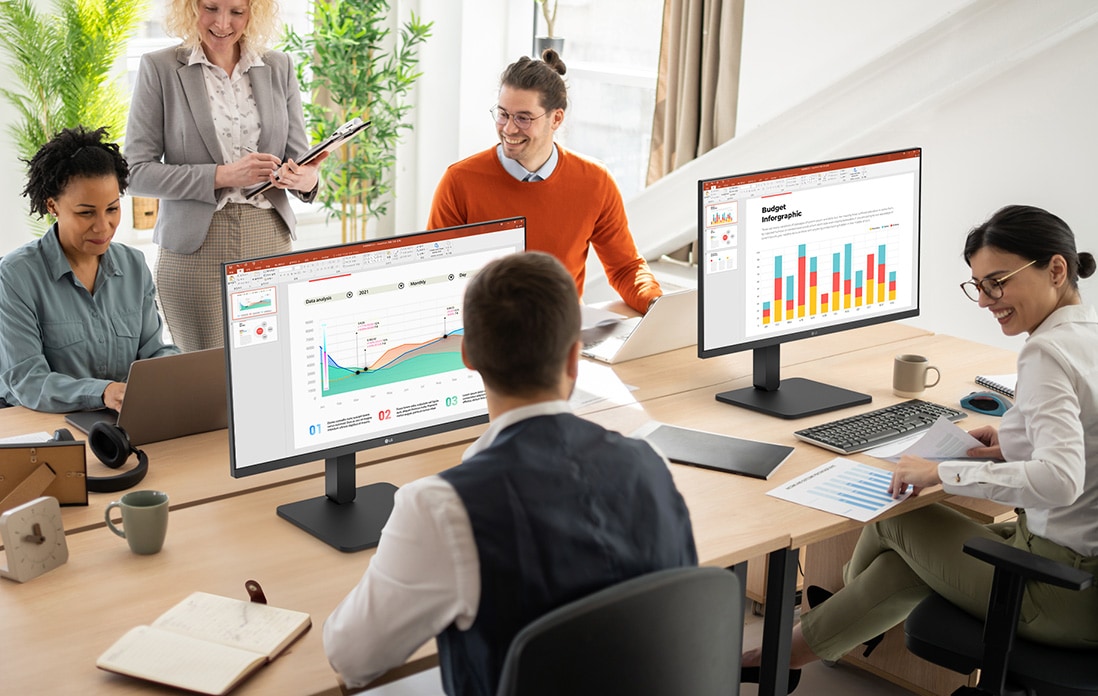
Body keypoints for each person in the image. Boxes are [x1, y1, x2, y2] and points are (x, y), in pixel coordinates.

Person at [740, 205, 1098, 688]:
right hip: (1077, 571)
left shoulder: (1046, 352)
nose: (985, 300)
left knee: (899, 519)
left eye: (998, 282)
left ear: (1056, 269)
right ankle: (789, 651)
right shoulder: (1086, 337)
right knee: (902, 567)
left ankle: (814, 625)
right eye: (979, 286)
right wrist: (1011, 441)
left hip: (1063, 589)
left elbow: (1061, 479)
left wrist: (942, 474)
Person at [323, 252, 696, 695]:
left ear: (467, 355)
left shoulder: (440, 507)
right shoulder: (649, 464)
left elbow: (351, 659)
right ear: (575, 358)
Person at [125, 0, 326, 352]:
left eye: (236, 11)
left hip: (270, 241)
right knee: (210, 381)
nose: (222, 23)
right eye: (211, 8)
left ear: (254, 11)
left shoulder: (278, 66)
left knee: (270, 374)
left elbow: (300, 160)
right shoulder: (160, 68)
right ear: (190, 7)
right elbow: (136, 172)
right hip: (196, 249)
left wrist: (305, 181)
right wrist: (223, 175)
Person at [427, 50, 662, 315]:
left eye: (523, 118)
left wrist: (656, 304)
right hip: (488, 336)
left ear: (556, 118)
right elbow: (436, 278)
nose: (509, 128)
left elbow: (626, 268)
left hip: (562, 336)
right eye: (503, 114)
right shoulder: (459, 181)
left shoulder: (595, 181)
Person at [0, 126, 179, 413]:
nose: (103, 226)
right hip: (45, 424)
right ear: (52, 206)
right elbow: (26, 380)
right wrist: (103, 392)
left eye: (112, 209)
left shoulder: (133, 266)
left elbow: (153, 349)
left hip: (121, 420)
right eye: (86, 213)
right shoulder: (16, 275)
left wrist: (174, 370)